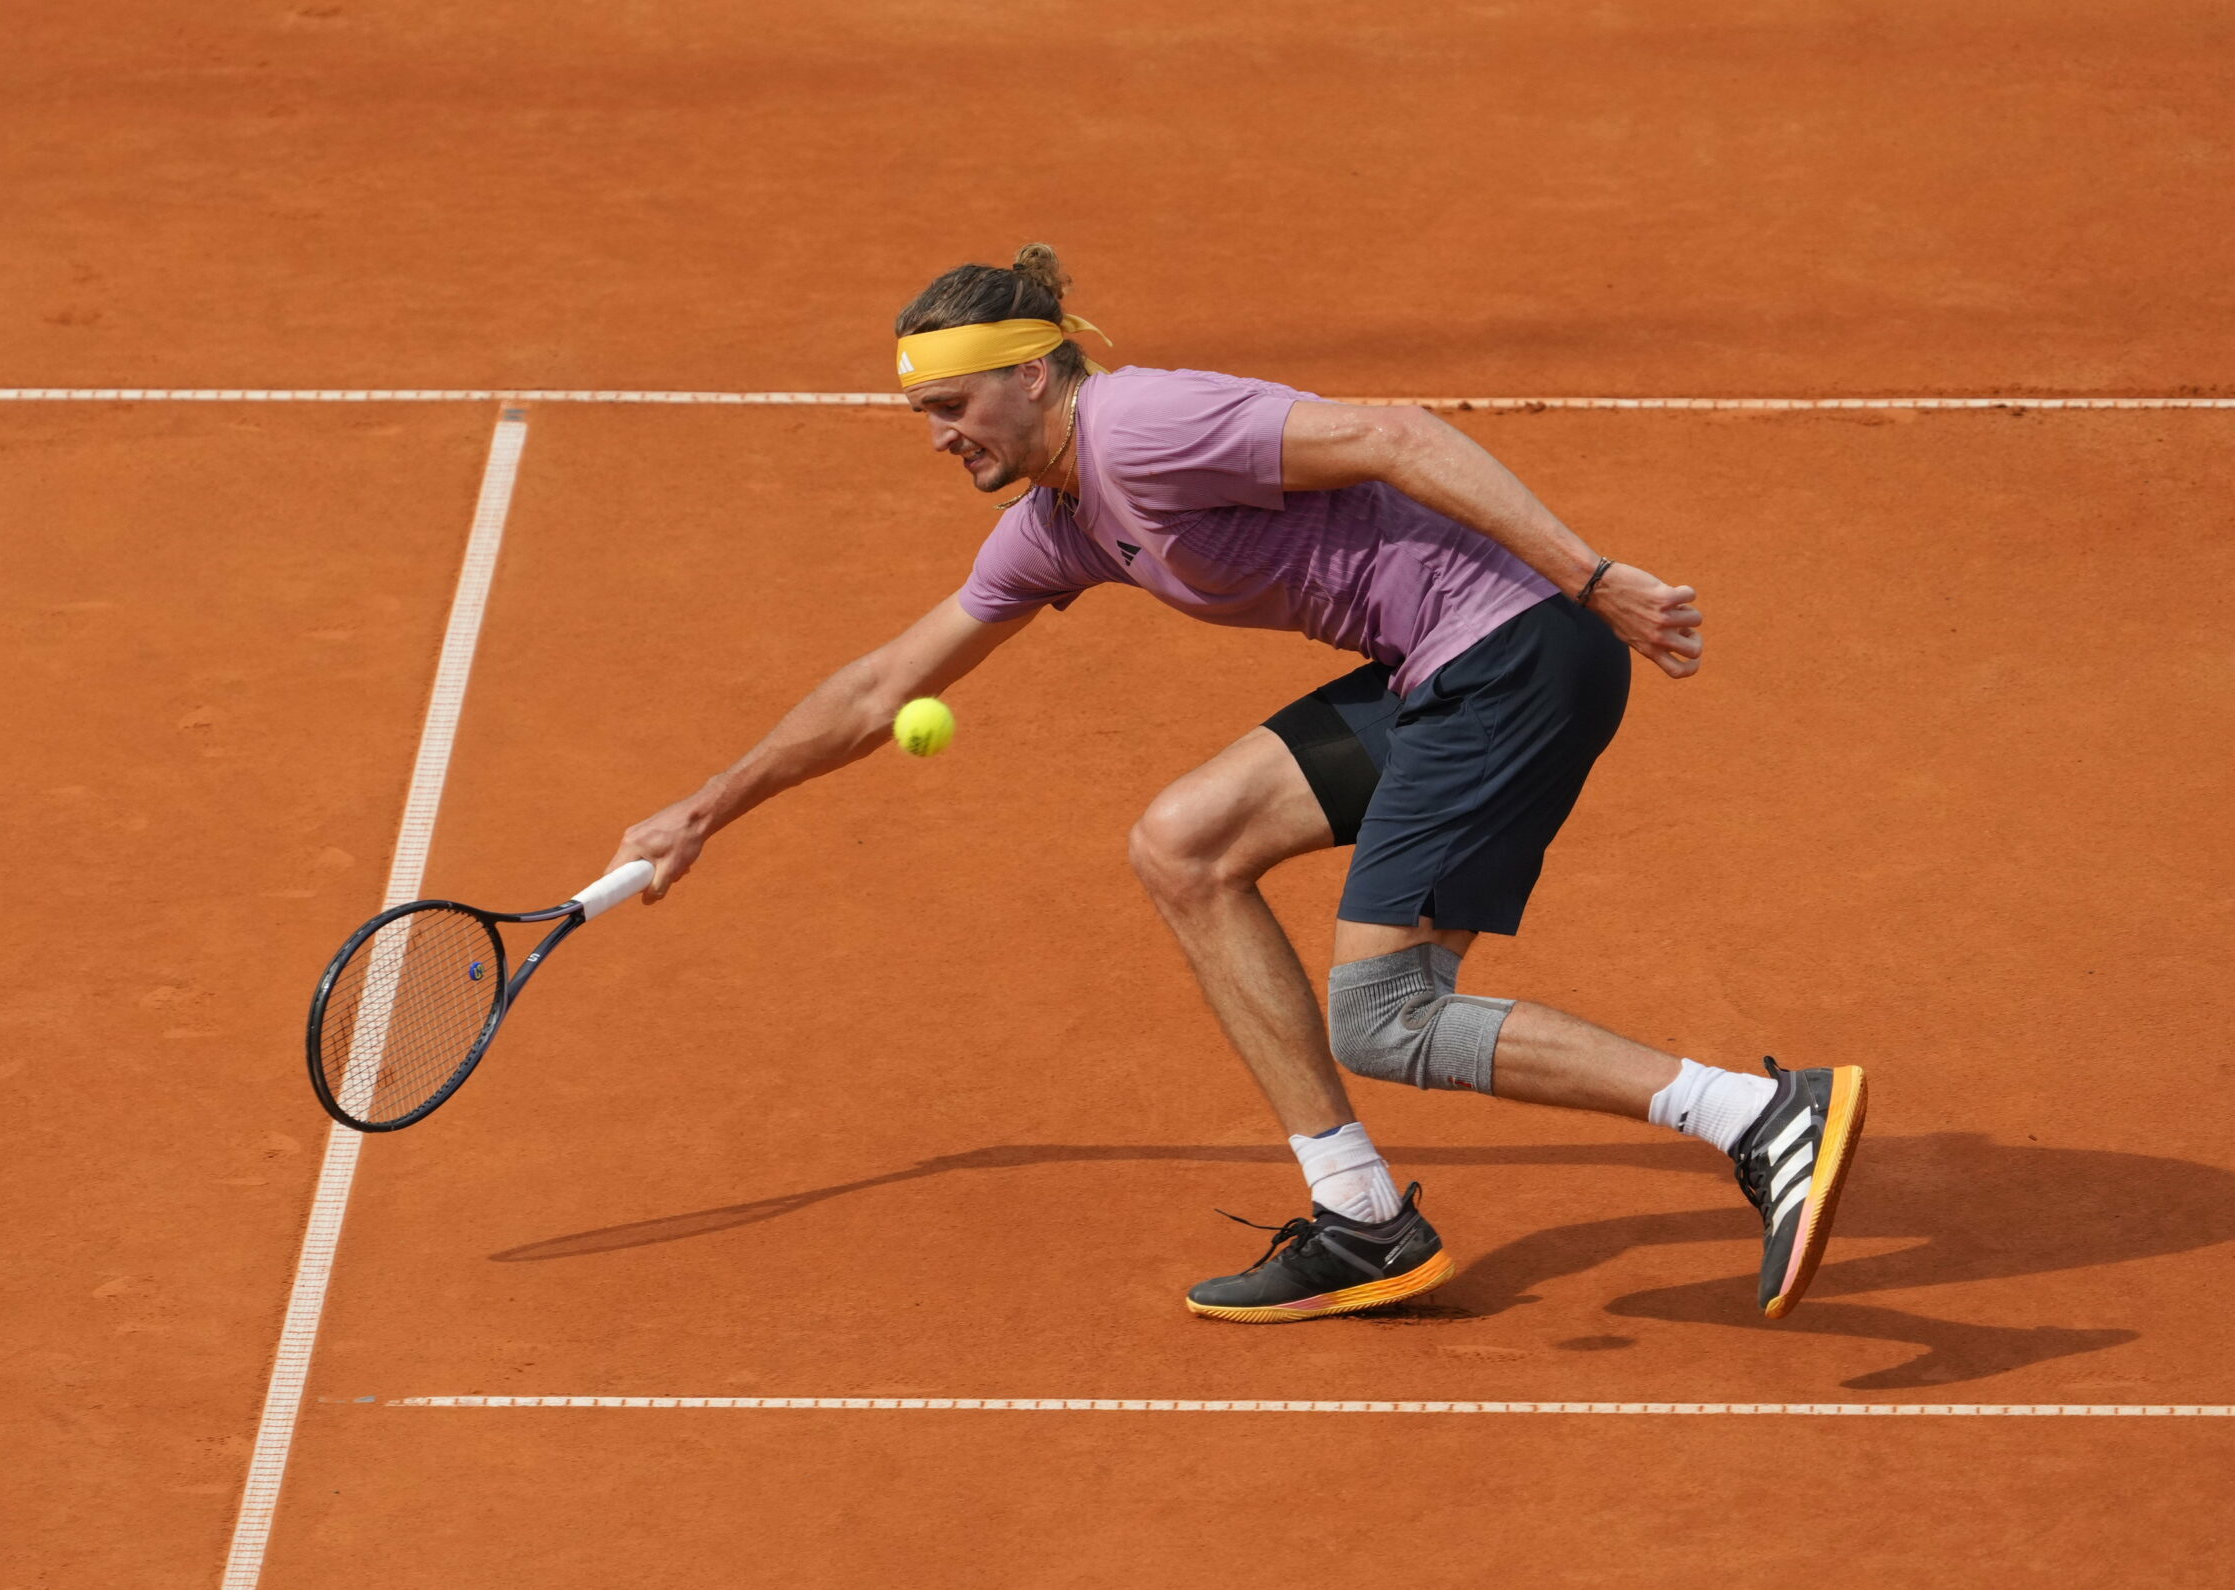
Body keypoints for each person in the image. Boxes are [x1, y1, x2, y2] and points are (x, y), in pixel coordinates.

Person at [608, 244, 1866, 1324]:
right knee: (1184, 843)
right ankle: (1358, 1216)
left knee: (1390, 1022)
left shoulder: (1141, 424)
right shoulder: (1057, 521)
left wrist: (1593, 580)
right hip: (1438, 668)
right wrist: (707, 808)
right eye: (924, 416)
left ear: (1032, 375)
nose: (939, 438)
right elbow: (884, 687)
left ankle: (1755, 1115)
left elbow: (1394, 435)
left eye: (953, 406)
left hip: (1512, 654)